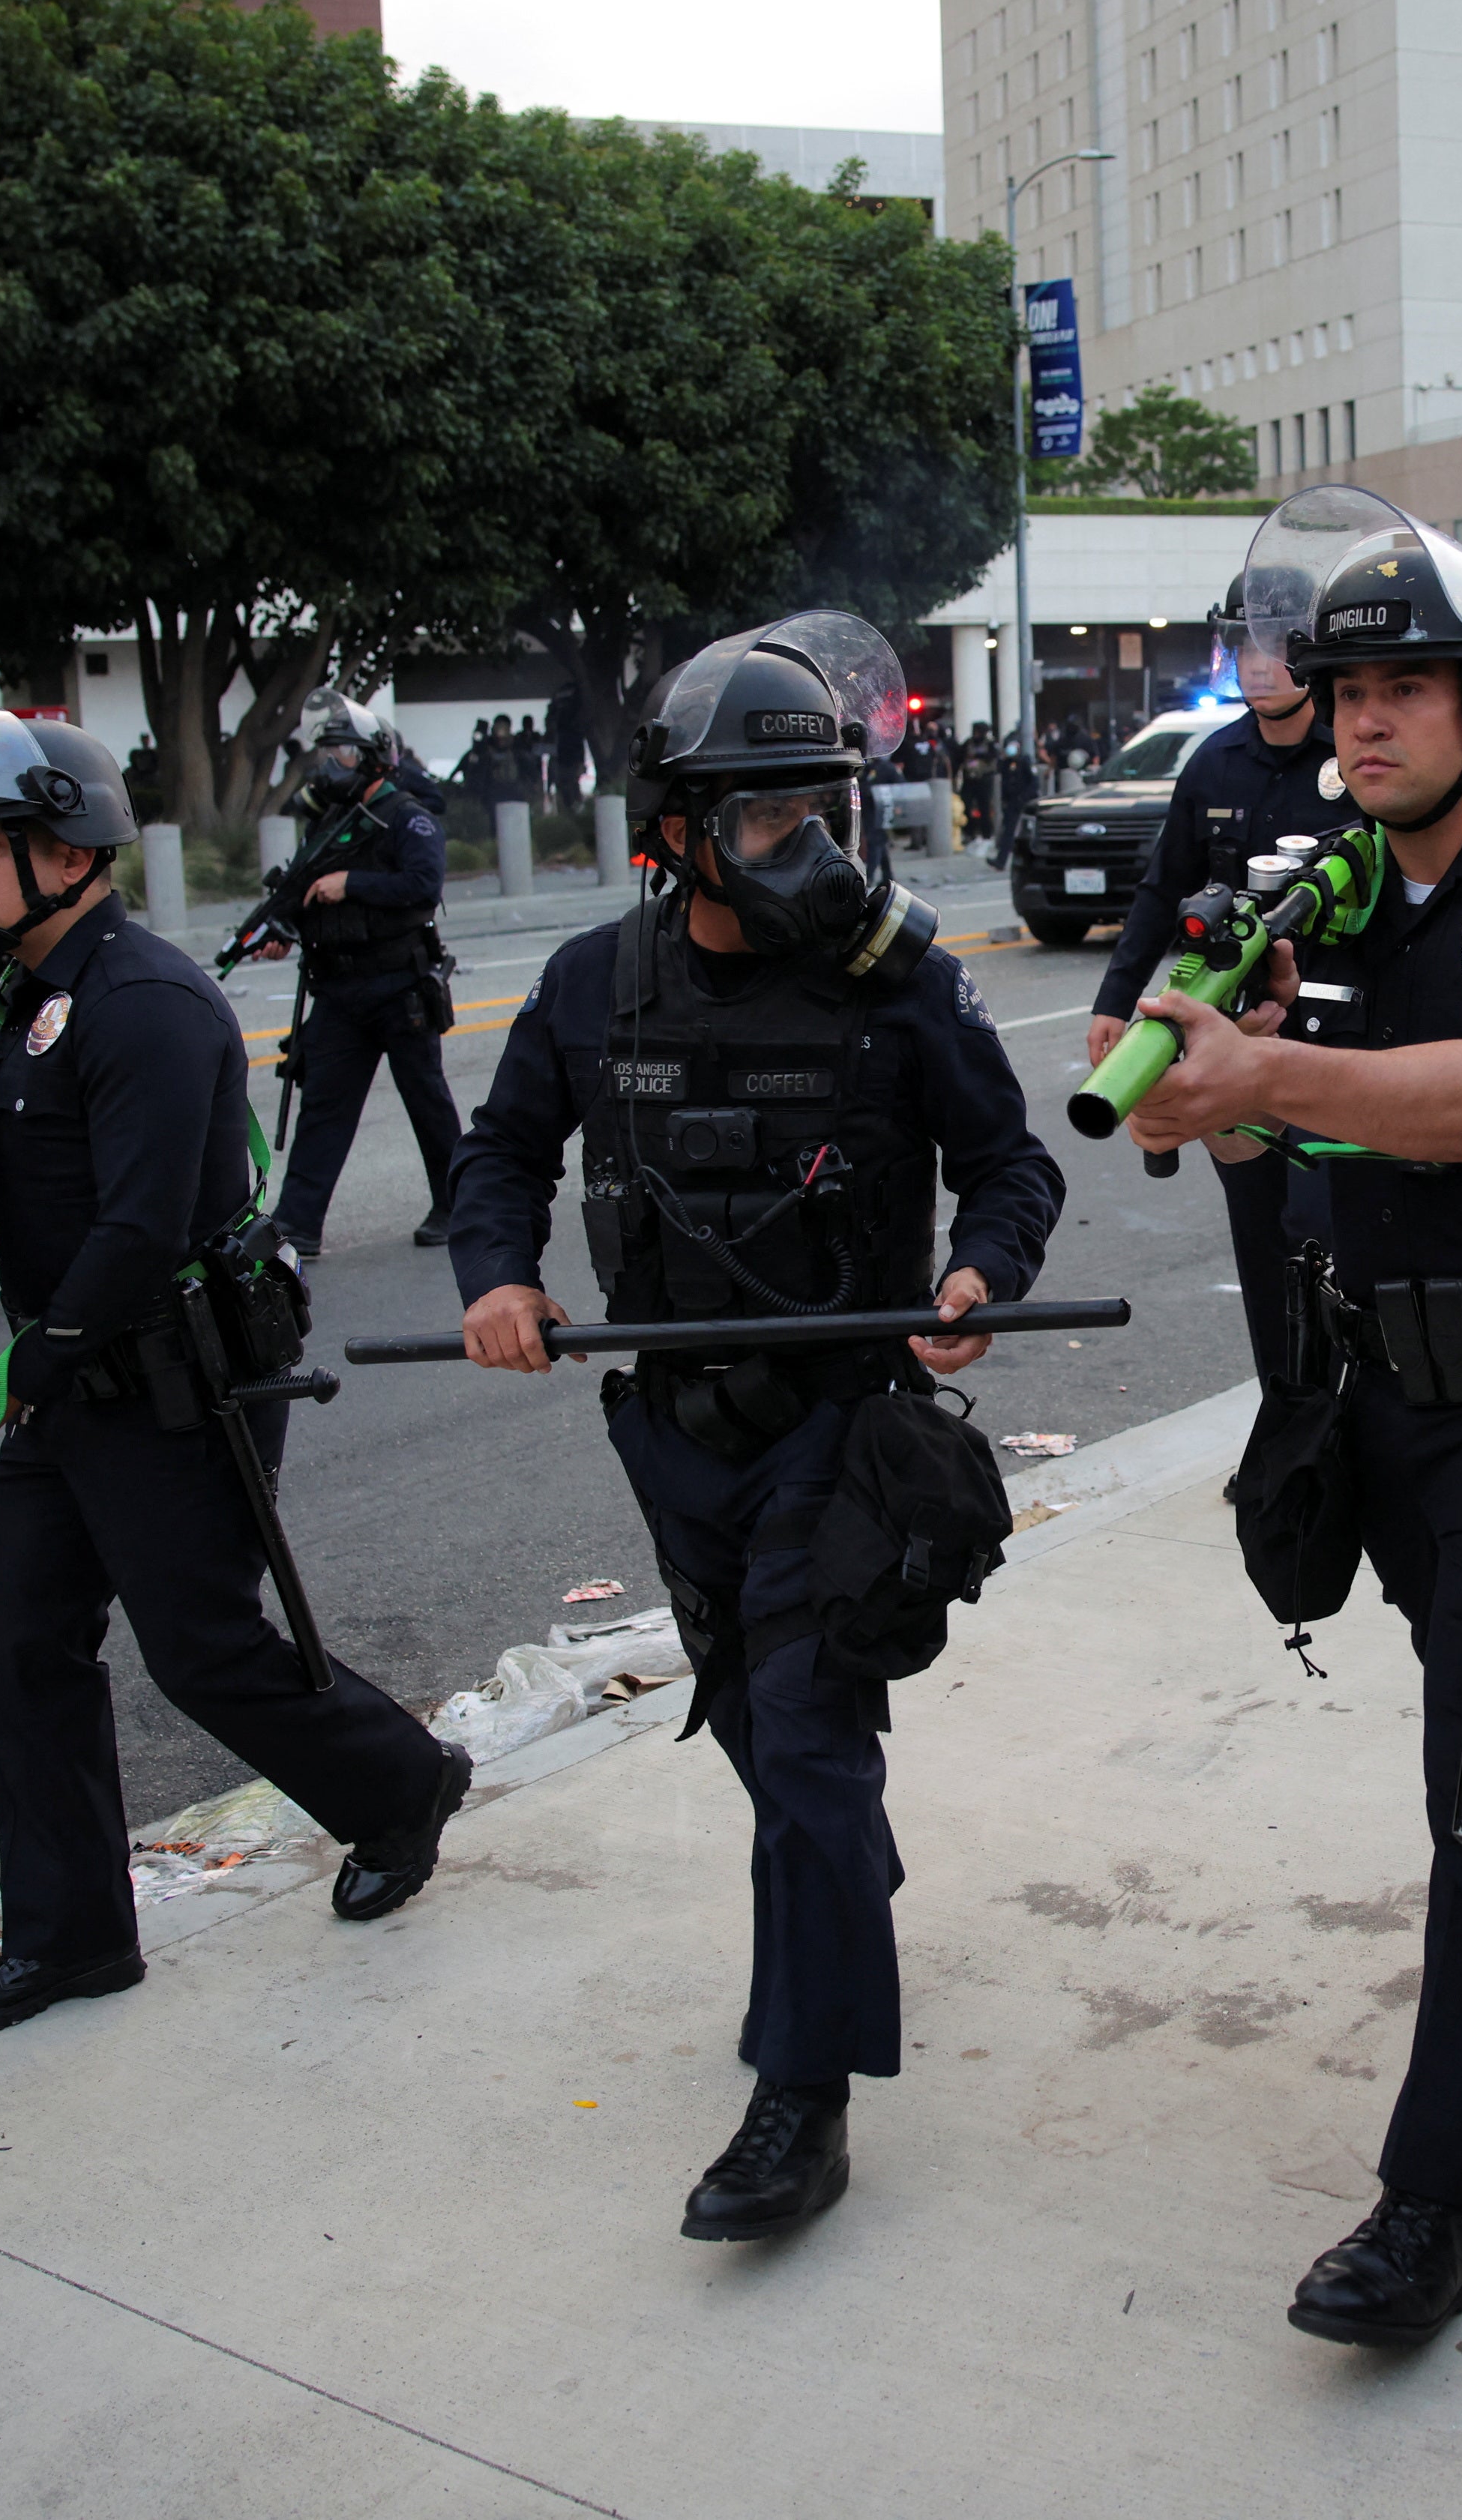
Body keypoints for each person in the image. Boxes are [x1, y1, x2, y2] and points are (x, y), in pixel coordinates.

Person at [1119, 514, 1462, 2350]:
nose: (1364, 725)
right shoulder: (1330, 893)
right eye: (1348, 691)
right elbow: (1270, 1138)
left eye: (1403, 692)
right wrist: (1218, 1097)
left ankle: (1426, 2213)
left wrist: (1267, 1073)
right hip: (1379, 1382)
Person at [453, 612, 1059, 2244]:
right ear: (678, 833)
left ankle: (802, 2097)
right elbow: (495, 1161)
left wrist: (977, 1268)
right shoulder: (590, 988)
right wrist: (497, 1277)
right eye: (771, 820)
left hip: (843, 1430)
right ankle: (838, 1883)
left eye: (827, 812)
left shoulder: (903, 988)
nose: (813, 849)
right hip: (673, 1435)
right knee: (757, 1729)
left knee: (799, 1739)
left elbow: (1014, 1168)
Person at [0, 692, 471, 2040]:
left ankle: (401, 1785)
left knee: (202, 1650)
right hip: (74, 1385)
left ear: (67, 854)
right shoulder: (14, 994)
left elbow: (133, 1232)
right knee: (27, 1653)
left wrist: (9, 1380)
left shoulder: (145, 1005)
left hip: (176, 1382)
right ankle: (71, 1939)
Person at [1086, 492, 1389, 1389]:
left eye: (1276, 646)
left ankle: (1350, 1423)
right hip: (1236, 1041)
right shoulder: (1213, 760)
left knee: (1335, 1236)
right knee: (1263, 1243)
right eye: (1242, 646)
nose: (1258, 667)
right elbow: (1160, 892)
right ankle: (1287, 1426)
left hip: (1344, 1044)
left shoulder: (1355, 754)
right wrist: (1115, 1003)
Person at [252, 699, 459, 1258]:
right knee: (323, 1104)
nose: (331, 764)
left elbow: (423, 885)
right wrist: (281, 930)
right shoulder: (330, 822)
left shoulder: (406, 816)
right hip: (339, 991)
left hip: (400, 985)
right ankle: (297, 1225)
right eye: (327, 753)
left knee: (427, 1101)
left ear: (373, 760)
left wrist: (354, 882)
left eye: (341, 752)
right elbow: (305, 892)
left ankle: (458, 1203)